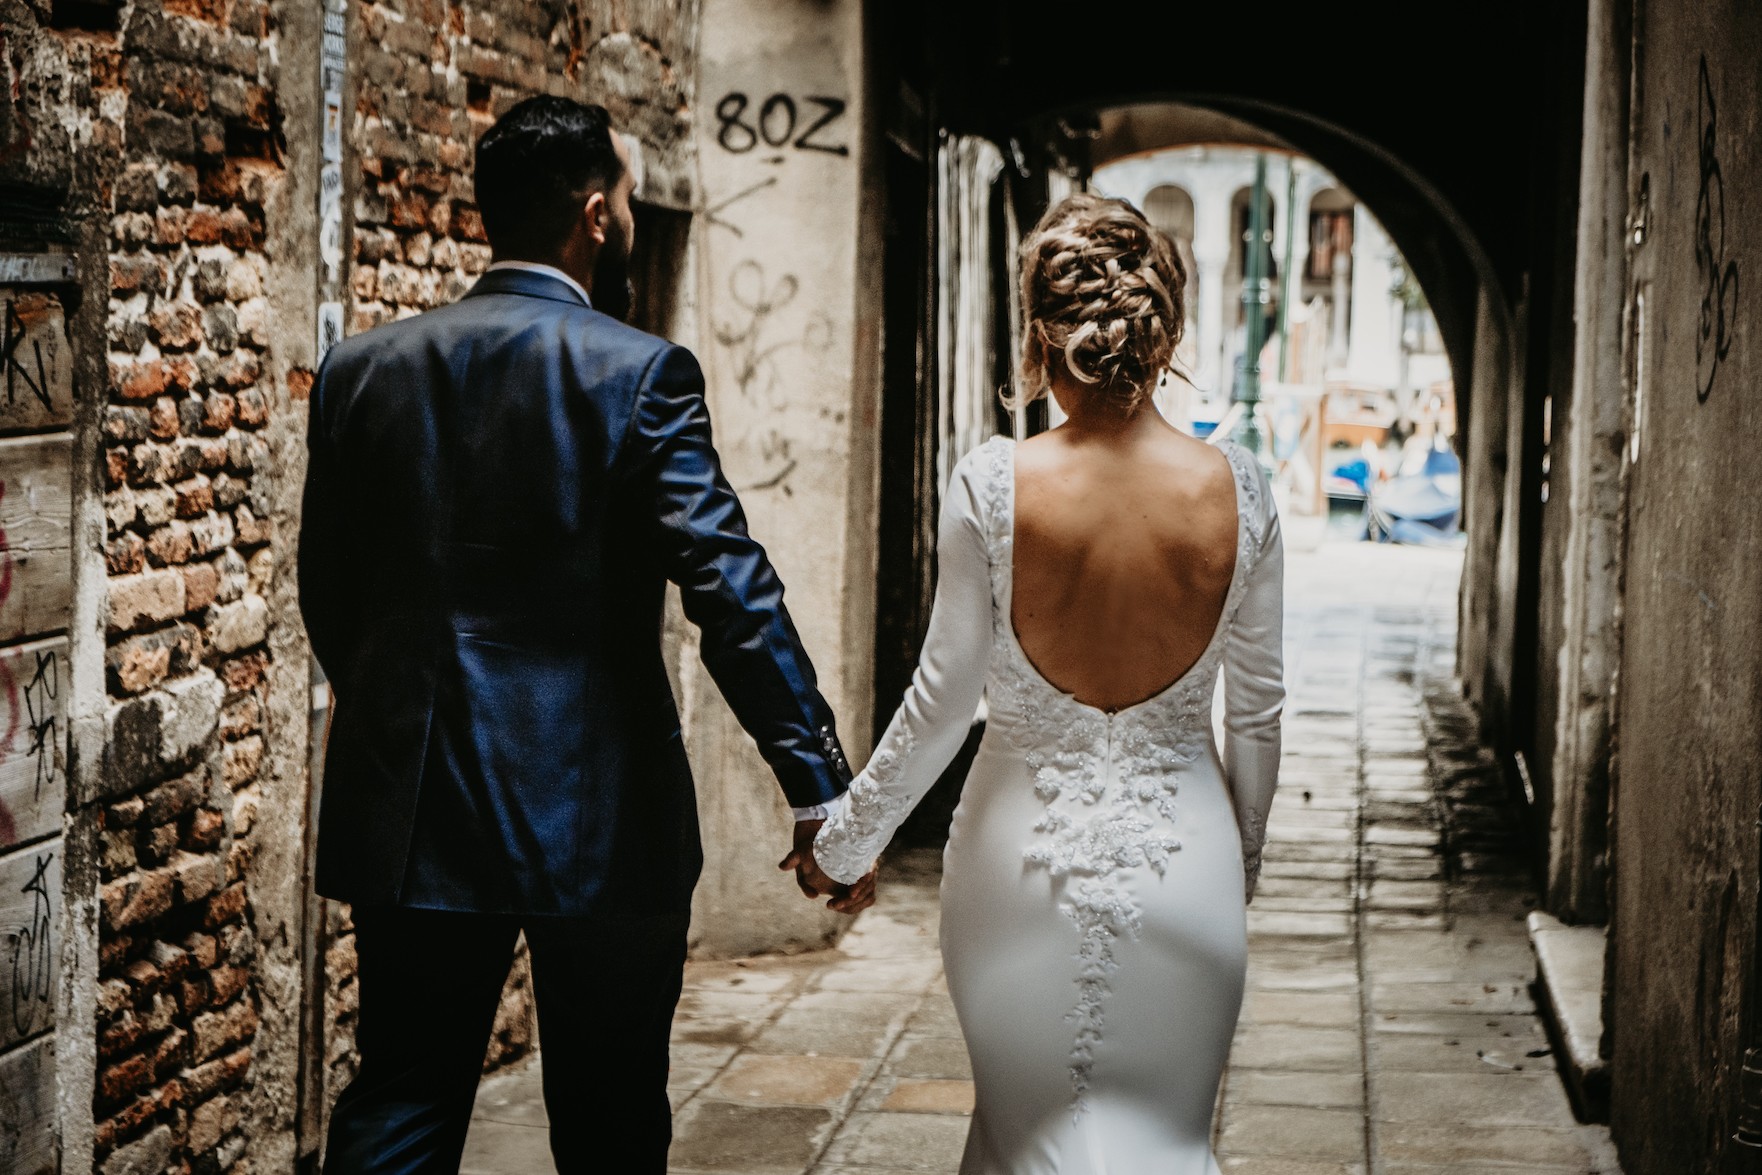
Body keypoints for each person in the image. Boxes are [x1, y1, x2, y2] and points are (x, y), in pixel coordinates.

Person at [299, 95, 874, 1175]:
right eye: (627, 195)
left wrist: (399, 714)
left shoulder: (360, 369)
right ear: (598, 217)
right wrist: (816, 784)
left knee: (405, 1093)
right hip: (598, 810)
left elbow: (329, 594)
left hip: (414, 800)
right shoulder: (640, 373)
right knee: (610, 1115)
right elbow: (729, 587)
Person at [806, 192, 1285, 1173]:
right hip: (1186, 865)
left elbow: (940, 701)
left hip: (1017, 874)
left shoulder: (992, 483)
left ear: (1039, 334)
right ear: (1163, 325)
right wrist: (1235, 860)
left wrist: (845, 842)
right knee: (1167, 1145)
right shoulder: (1241, 489)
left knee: (1026, 1139)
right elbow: (1261, 715)